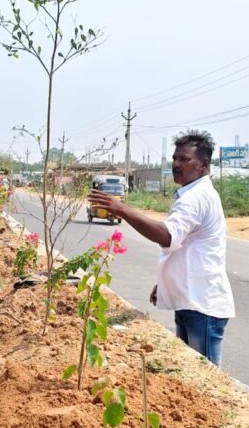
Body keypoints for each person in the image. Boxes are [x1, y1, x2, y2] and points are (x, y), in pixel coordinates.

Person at [87, 129, 234, 366]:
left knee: (205, 379)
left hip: (202, 305)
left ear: (204, 165)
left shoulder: (196, 197)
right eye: (175, 158)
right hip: (190, 300)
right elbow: (186, 248)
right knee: (190, 373)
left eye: (184, 159)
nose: (176, 164)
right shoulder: (192, 194)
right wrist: (166, 282)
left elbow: (168, 237)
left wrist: (123, 210)